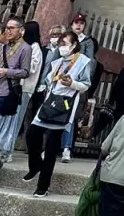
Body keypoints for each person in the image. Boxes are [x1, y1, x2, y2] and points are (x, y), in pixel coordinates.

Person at [30, 31, 92, 197]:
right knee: (32, 134)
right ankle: (35, 163)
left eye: (65, 43)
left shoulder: (83, 61)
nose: (62, 47)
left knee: (51, 147)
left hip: (64, 105)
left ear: (74, 45)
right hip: (49, 102)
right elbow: (48, 80)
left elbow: (86, 84)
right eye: (61, 44)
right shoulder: (57, 62)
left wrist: (72, 83)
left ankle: (43, 185)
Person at [0, 18, 32, 162]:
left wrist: (7, 71)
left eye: (12, 28)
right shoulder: (2, 46)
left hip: (7, 89)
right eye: (7, 28)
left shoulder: (25, 48)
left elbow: (25, 72)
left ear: (21, 30)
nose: (8, 31)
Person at [21, 27, 61, 182]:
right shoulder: (43, 50)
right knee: (32, 127)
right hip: (38, 88)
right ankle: (34, 161)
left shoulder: (67, 58)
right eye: (52, 35)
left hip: (53, 96)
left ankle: (42, 174)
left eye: (58, 35)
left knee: (47, 132)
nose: (55, 38)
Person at [62, 14, 97, 159]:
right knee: (59, 113)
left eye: (81, 23)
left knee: (71, 116)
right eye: (76, 22)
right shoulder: (65, 39)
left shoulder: (87, 42)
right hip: (61, 82)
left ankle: (67, 148)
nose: (78, 25)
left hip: (76, 84)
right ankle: (53, 145)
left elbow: (89, 62)